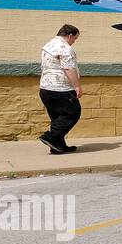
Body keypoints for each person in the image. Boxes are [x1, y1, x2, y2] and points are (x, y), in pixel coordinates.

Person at [39, 24, 82, 154]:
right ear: (70, 35)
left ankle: (57, 147)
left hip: (45, 89)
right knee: (73, 112)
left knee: (57, 118)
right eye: (75, 38)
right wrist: (77, 86)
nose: (74, 42)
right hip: (60, 89)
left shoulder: (48, 45)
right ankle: (50, 137)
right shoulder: (65, 48)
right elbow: (68, 68)